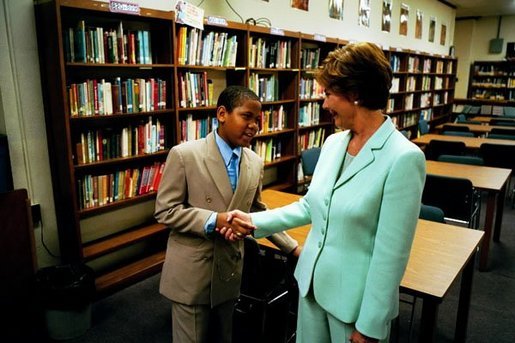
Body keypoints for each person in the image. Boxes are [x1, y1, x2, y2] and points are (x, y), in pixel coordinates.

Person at [222, 42, 426, 343]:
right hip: (311, 287)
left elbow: (391, 255)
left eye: (329, 94)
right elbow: (311, 206)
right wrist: (252, 222)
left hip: (354, 307)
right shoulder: (333, 144)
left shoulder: (403, 158)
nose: (324, 104)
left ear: (354, 93)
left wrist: (370, 325)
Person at [154, 85, 300, 343]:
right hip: (193, 269)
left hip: (230, 269)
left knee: (224, 336)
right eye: (247, 117)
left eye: (258, 120)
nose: (254, 126)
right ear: (222, 114)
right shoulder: (186, 155)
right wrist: (213, 220)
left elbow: (256, 211)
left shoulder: (254, 162)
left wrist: (291, 247)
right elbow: (166, 210)